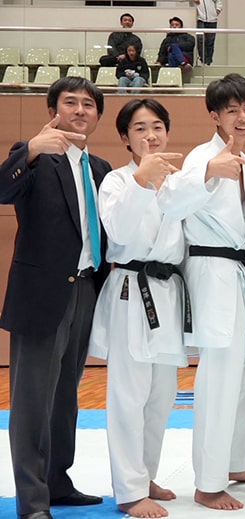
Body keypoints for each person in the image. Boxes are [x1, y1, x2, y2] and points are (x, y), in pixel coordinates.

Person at [0, 76, 111, 519]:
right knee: (32, 401)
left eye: (89, 104)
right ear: (53, 111)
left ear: (97, 115)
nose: (80, 110)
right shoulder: (33, 157)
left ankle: (58, 483)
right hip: (41, 294)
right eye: (70, 102)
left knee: (66, 395)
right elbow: (2, 190)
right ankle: (32, 501)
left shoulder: (100, 168)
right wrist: (29, 149)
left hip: (85, 288)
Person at [156, 73, 245, 511]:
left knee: (244, 370)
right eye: (232, 110)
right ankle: (208, 481)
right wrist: (206, 173)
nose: (243, 117)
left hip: (241, 270)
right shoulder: (203, 157)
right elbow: (170, 202)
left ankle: (235, 461)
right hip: (213, 270)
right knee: (219, 374)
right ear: (214, 116)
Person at [87, 99, 187, 519]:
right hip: (132, 288)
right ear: (125, 137)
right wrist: (142, 182)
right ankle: (128, 490)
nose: (151, 135)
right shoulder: (116, 181)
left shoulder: (179, 181)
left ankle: (146, 475)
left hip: (168, 291)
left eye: (158, 126)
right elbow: (118, 232)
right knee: (129, 395)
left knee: (162, 396)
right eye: (140, 128)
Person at [194, 0, 222, 66]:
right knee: (200, 39)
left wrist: (218, 9)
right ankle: (204, 60)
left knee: (210, 41)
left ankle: (208, 62)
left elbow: (218, 1)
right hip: (200, 19)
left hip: (212, 20)